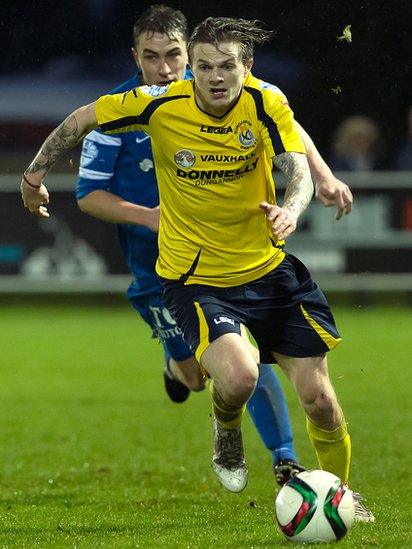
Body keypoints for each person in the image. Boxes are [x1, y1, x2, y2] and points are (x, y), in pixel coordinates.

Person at [20, 16, 373, 521]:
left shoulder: (264, 100)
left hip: (268, 269)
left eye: (223, 65)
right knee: (229, 377)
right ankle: (226, 429)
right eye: (205, 66)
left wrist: (297, 203)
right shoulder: (153, 104)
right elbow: (80, 122)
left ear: (244, 67)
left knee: (318, 398)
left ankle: (336, 495)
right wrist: (34, 175)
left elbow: (293, 156)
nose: (212, 76)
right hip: (192, 274)